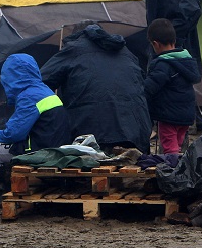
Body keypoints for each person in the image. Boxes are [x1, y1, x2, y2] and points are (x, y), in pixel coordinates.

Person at [0, 53, 72, 208]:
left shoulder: (28, 96)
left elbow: (15, 132)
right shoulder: (43, 90)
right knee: (2, 147)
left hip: (41, 151)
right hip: (54, 146)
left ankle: (0, 196)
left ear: (10, 77)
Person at [40, 23, 152, 152]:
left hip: (90, 136)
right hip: (136, 134)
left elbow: (39, 83)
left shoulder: (73, 50)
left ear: (77, 36)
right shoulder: (126, 53)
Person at [143, 19, 199, 155]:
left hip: (168, 116)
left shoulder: (162, 64)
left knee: (170, 148)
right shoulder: (187, 60)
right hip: (186, 115)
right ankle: (179, 166)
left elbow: (149, 88)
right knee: (177, 145)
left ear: (155, 44)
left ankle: (173, 171)